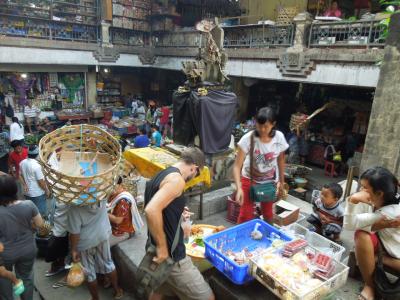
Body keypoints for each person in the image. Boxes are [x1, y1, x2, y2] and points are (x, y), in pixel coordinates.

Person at [144, 147, 214, 300]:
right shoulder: (177, 180)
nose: (195, 176)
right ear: (194, 167)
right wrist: (163, 248)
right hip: (172, 257)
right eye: (198, 173)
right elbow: (151, 210)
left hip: (154, 248)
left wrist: (177, 210)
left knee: (158, 292)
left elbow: (160, 206)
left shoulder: (163, 174)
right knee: (208, 298)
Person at [344, 167, 400, 300]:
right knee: (361, 234)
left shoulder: (389, 212)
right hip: (385, 244)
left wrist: (352, 201)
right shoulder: (370, 201)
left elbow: (349, 224)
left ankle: (378, 259)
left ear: (380, 193)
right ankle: (370, 286)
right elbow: (352, 224)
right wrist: (353, 201)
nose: (360, 191)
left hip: (395, 250)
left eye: (364, 188)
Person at [233, 107, 289, 224]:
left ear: (273, 124)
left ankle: (268, 237)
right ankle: (240, 240)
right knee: (245, 215)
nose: (262, 130)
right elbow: (237, 166)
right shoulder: (248, 139)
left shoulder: (279, 137)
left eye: (266, 127)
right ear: (255, 122)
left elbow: (280, 161)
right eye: (259, 125)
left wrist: (281, 182)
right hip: (249, 179)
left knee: (268, 214)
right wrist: (239, 188)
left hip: (269, 182)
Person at [68, 200, 123, 300]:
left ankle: (95, 298)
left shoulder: (74, 207)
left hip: (85, 242)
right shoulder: (101, 196)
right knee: (108, 263)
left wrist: (74, 249)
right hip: (102, 235)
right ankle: (117, 290)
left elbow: (74, 233)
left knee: (89, 272)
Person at [0, 175, 44, 300]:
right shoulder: (28, 205)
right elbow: (40, 224)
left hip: (4, 254)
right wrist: (30, 227)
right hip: (27, 249)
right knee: (26, 277)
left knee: (4, 279)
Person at [107, 176, 143, 247]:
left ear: (119, 184)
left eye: (113, 185)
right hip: (113, 227)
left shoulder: (124, 200)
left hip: (122, 231)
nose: (111, 188)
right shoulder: (113, 194)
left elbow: (118, 220)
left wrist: (102, 213)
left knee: (103, 245)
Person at [20, 144, 50, 217]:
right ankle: (40, 226)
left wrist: (24, 185)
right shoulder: (37, 166)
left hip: (27, 192)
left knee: (31, 211)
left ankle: (32, 223)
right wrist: (47, 190)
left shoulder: (22, 162)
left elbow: (20, 175)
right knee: (40, 213)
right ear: (38, 155)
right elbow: (41, 182)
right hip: (37, 193)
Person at [44, 201, 70, 277]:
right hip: (59, 225)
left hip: (62, 226)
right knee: (61, 244)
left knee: (56, 245)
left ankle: (59, 265)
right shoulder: (57, 196)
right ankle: (59, 264)